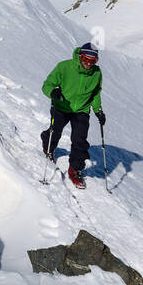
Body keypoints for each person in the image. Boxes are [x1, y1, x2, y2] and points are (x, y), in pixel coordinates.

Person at [40, 42, 105, 189]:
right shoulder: (64, 67)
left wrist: (98, 110)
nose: (88, 64)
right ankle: (48, 146)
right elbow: (47, 84)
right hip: (61, 106)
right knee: (55, 131)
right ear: (80, 56)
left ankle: (75, 169)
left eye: (93, 61)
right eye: (86, 59)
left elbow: (95, 93)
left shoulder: (96, 73)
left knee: (79, 140)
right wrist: (52, 92)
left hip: (81, 109)